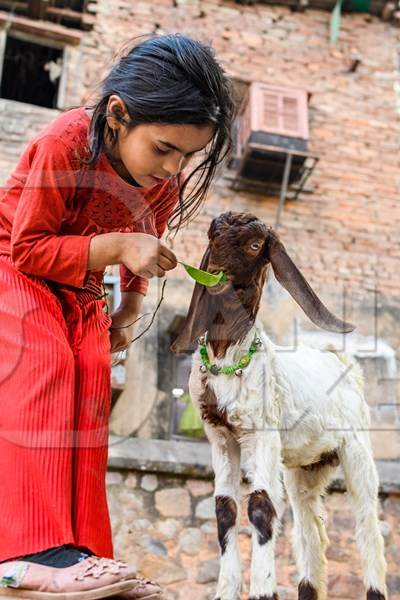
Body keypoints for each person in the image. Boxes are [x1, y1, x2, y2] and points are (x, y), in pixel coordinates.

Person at [0, 33, 235, 599]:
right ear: (118, 114)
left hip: (75, 285)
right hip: (14, 264)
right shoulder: (66, 144)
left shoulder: (163, 181)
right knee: (49, 360)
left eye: (187, 155)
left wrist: (129, 307)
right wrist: (115, 248)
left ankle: (81, 553)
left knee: (90, 382)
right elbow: (29, 249)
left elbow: (141, 244)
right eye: (163, 148)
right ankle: (21, 554)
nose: (174, 166)